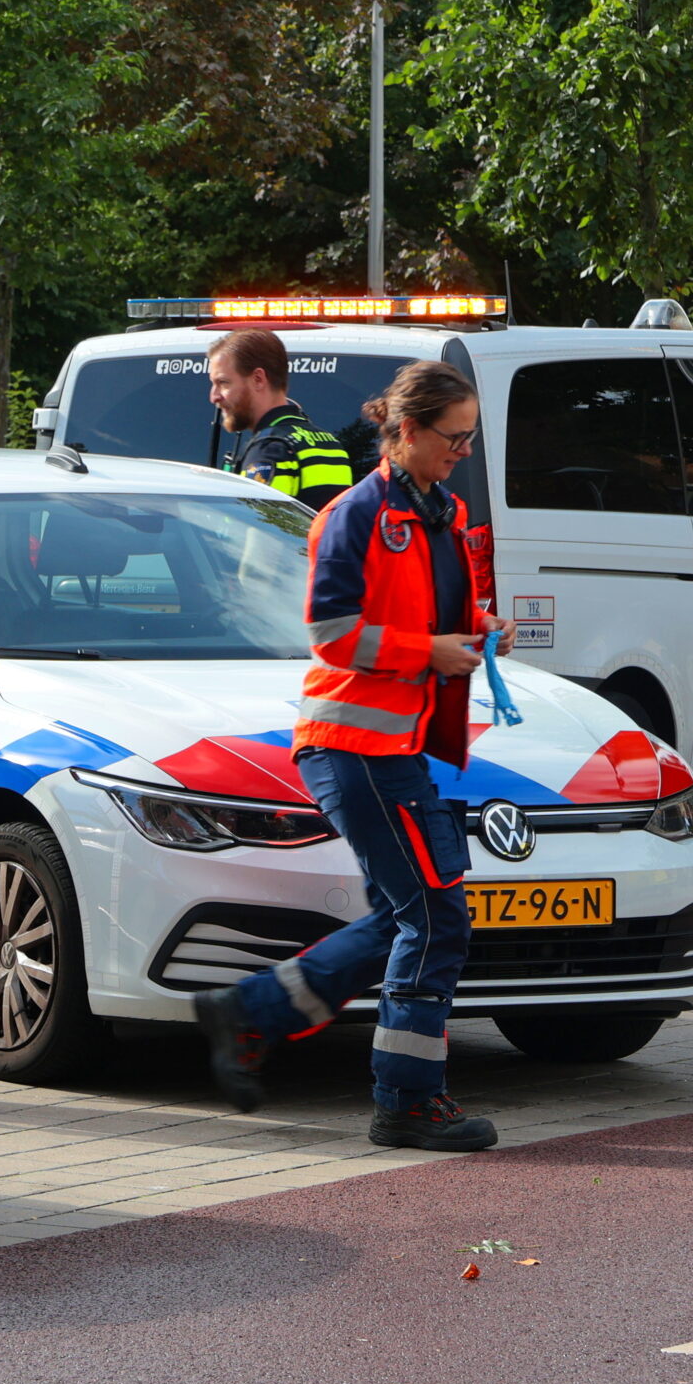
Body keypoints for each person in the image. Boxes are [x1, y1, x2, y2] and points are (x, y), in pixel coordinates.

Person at [191, 360, 513, 1150]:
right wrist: (426, 652)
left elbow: (441, 613)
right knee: (436, 920)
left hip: (390, 744)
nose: (462, 451)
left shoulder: (443, 511)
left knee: (400, 919)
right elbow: (330, 633)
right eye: (453, 437)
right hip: (351, 744)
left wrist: (476, 631)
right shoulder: (353, 515)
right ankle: (405, 1103)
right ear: (405, 432)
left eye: (471, 438)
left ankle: (251, 1013)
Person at [208, 328, 354, 509]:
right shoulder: (330, 442)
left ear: (258, 379)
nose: (214, 397)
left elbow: (261, 530)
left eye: (223, 383)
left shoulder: (269, 449)